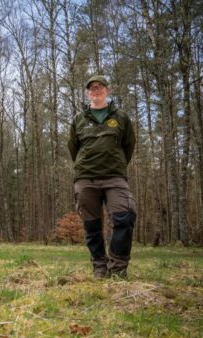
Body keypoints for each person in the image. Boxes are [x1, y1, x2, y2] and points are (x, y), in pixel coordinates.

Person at [68, 75, 137, 279]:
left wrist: (115, 163)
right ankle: (99, 266)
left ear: (108, 90)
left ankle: (118, 268)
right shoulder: (79, 120)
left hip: (114, 177)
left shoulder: (121, 117)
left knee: (125, 216)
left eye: (100, 87)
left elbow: (129, 145)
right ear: (88, 93)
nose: (96, 90)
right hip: (86, 178)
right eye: (92, 88)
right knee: (92, 225)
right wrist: (85, 164)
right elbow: (74, 148)